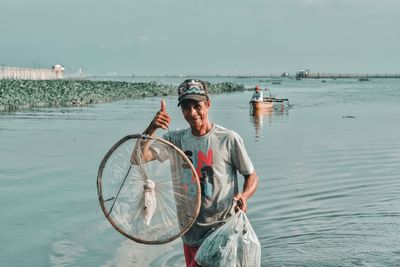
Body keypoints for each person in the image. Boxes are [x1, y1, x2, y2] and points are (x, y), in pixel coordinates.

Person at [139, 79, 259, 267]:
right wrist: (152, 127)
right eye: (187, 107)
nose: (193, 113)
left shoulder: (228, 139)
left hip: (223, 231)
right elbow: (138, 158)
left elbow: (251, 175)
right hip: (190, 234)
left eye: (197, 106)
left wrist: (244, 195)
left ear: (208, 104)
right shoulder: (175, 140)